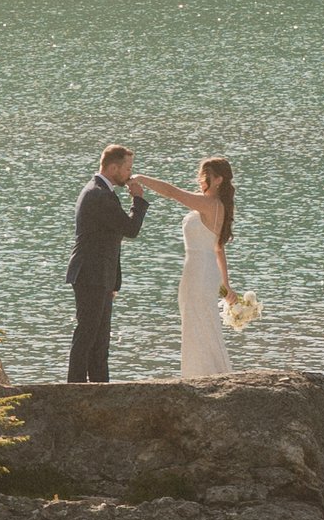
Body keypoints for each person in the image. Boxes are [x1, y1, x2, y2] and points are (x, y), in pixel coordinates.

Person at [131, 157, 237, 381]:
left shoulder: (209, 203)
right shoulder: (219, 207)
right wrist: (226, 285)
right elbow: (219, 249)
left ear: (218, 180)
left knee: (198, 321)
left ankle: (200, 375)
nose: (201, 180)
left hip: (198, 271)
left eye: (205, 176)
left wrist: (142, 179)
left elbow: (172, 192)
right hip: (204, 270)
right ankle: (209, 373)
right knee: (203, 320)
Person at [66, 146, 149, 383]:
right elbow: (130, 229)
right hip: (90, 275)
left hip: (99, 275)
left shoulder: (102, 192)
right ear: (113, 168)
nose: (130, 174)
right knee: (88, 336)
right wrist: (138, 200)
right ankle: (75, 390)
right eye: (127, 169)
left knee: (100, 341)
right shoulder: (99, 194)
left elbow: (110, 240)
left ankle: (100, 389)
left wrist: (113, 282)